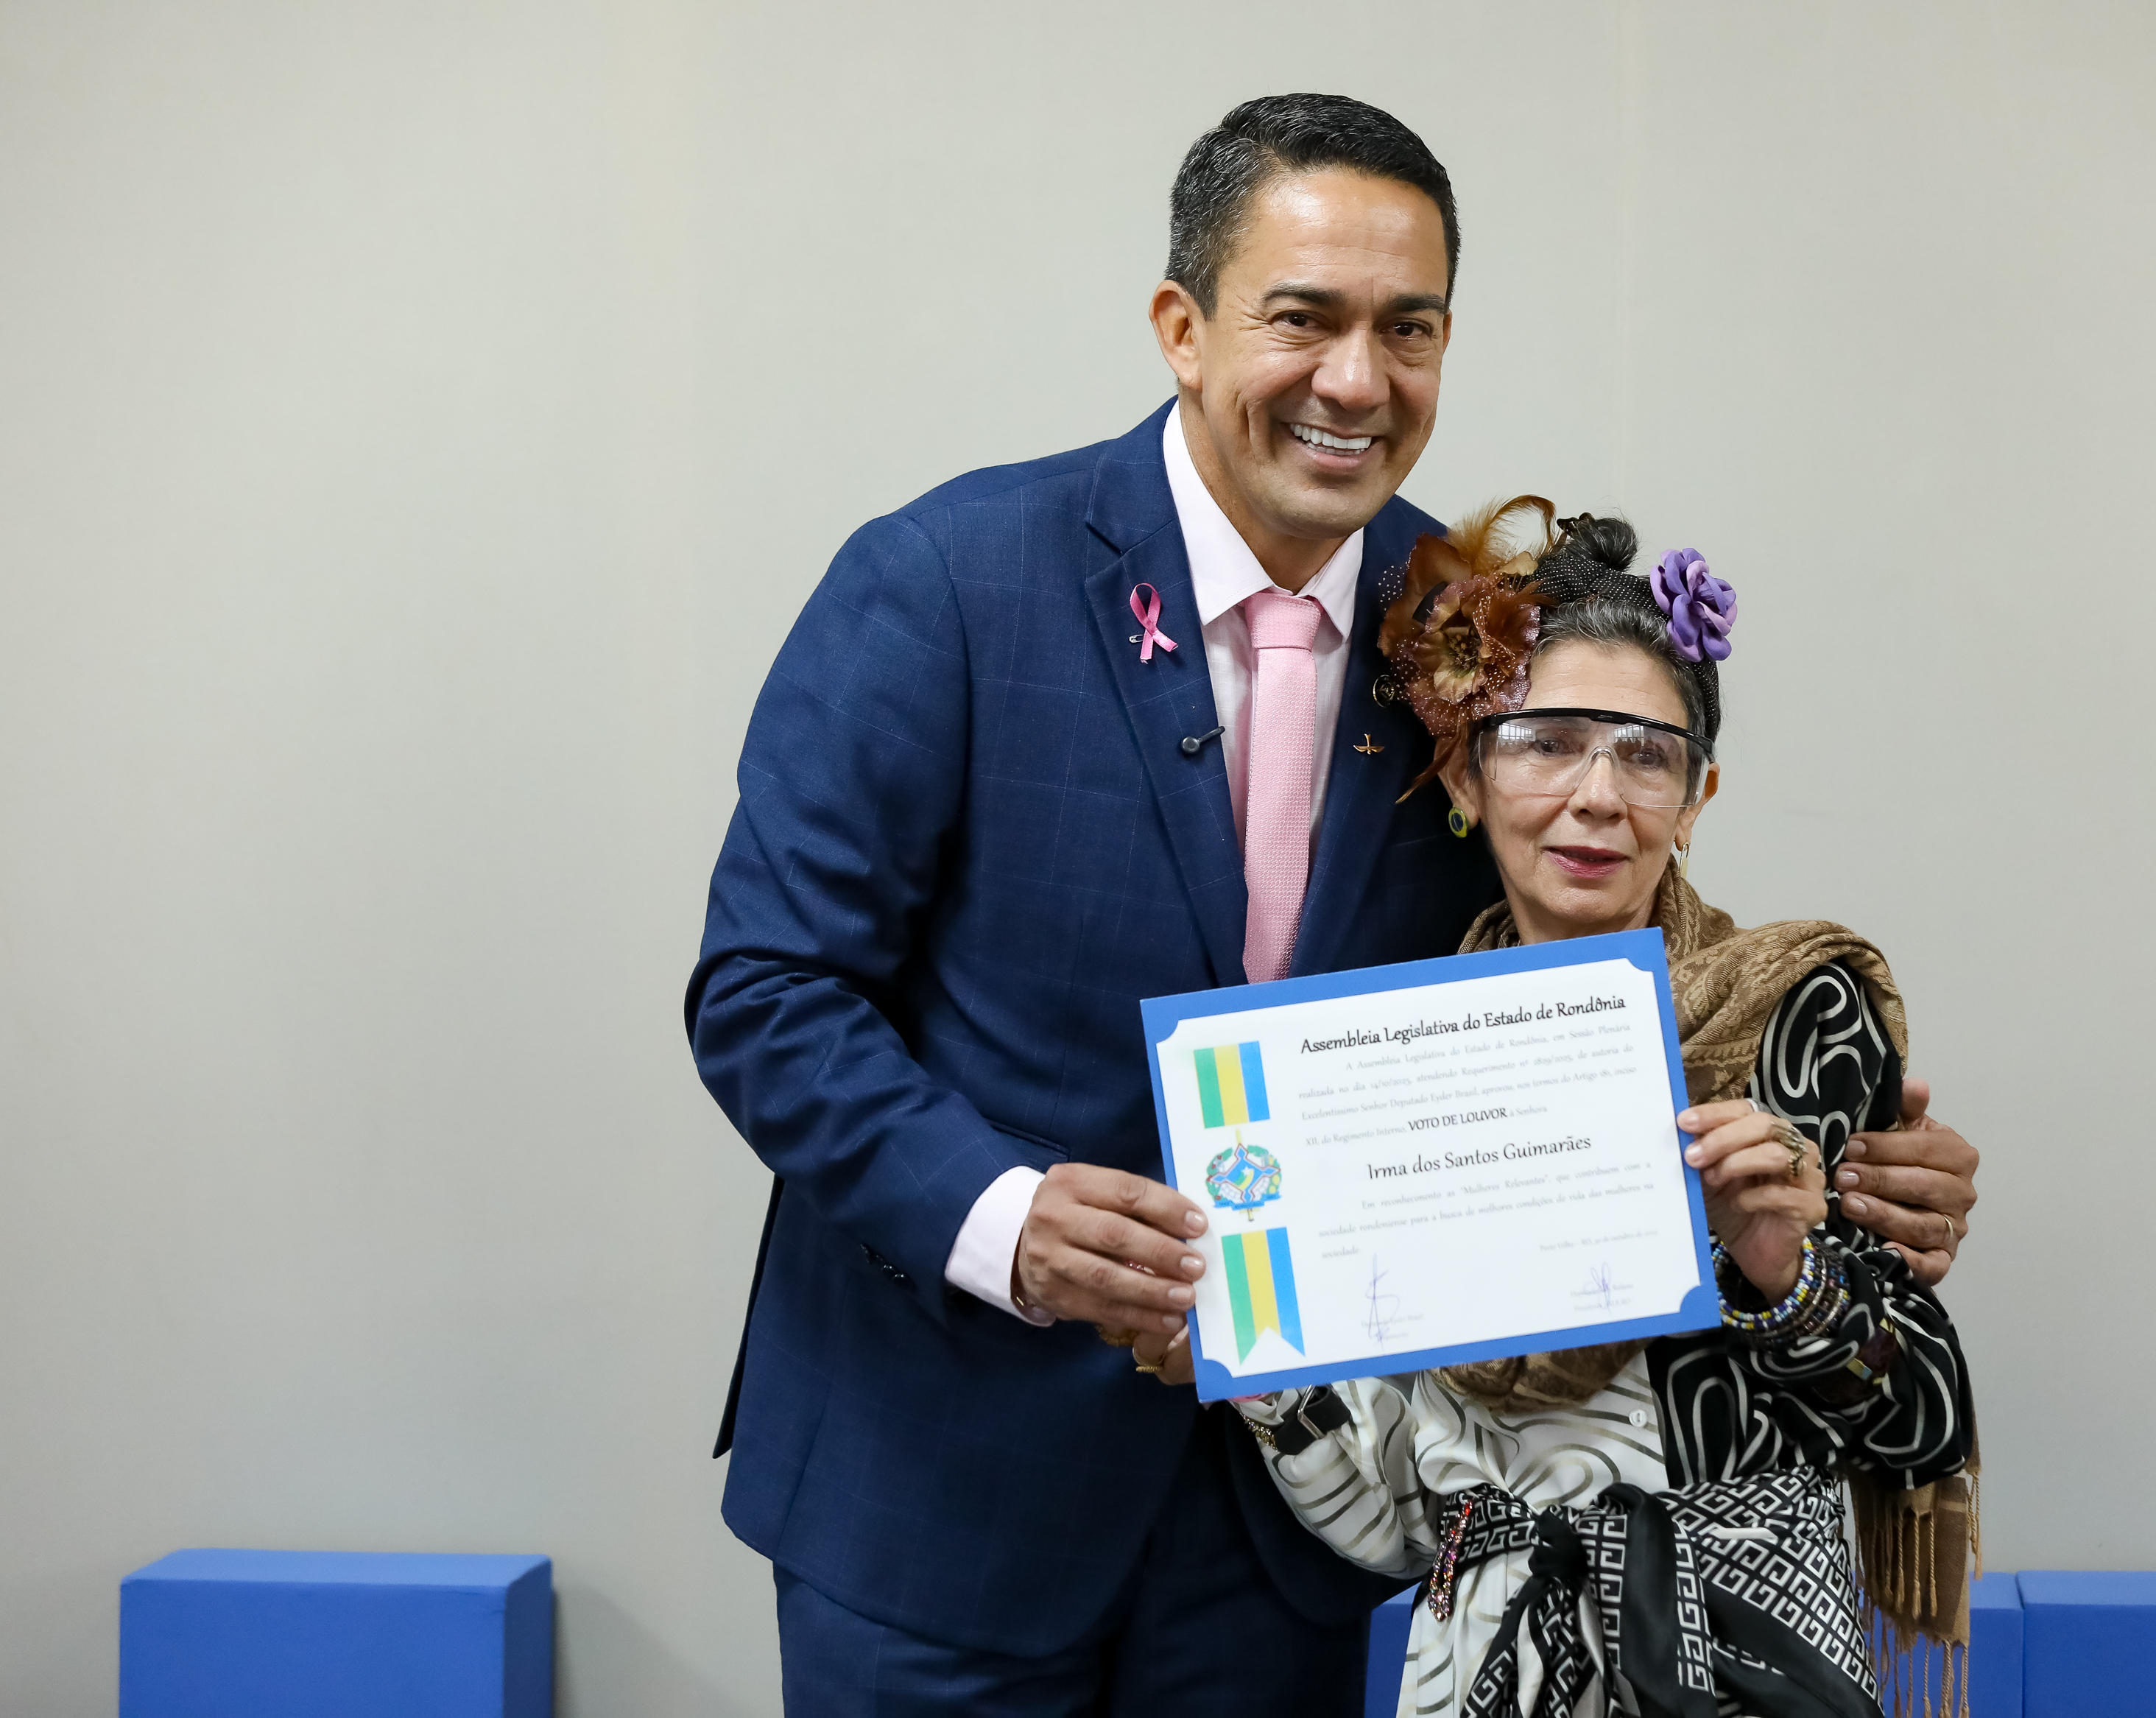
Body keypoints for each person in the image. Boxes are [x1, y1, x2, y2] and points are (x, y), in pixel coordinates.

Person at [686, 96, 1980, 1717]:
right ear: (1182, 327)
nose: (1356, 381)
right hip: (941, 1483)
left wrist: (1849, 1161)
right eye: (1302, 317)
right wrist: (1006, 1220)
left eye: (1407, 328)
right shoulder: (948, 579)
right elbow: (765, 992)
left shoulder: (1482, 633)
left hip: (1290, 1521)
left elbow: (1605, 946)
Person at [1138, 503, 1974, 1718]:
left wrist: (1783, 1269)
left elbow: (1921, 1422)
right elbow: (1390, 1521)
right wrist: (1246, 1351)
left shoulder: (1797, 1008)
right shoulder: (1388, 1066)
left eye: (1647, 756)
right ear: (1467, 774)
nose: (1598, 795)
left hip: (1738, 1661)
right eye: (1548, 742)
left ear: (1697, 796)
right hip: (1487, 1664)